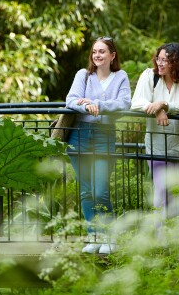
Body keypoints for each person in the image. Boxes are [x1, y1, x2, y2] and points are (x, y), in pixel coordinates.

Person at [66, 36, 131, 254]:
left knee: (100, 189)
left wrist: (97, 105)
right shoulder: (83, 75)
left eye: (102, 51)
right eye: (94, 51)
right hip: (79, 136)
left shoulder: (120, 76)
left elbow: (124, 103)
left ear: (112, 56)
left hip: (104, 135)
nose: (97, 55)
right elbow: (71, 100)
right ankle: (94, 236)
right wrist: (84, 107)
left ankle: (110, 237)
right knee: (86, 191)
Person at [130, 42, 179, 224]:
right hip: (158, 147)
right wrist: (155, 108)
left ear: (177, 63)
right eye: (159, 59)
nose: (160, 63)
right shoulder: (150, 76)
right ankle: (162, 243)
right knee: (161, 195)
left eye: (166, 60)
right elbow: (137, 102)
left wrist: (164, 104)